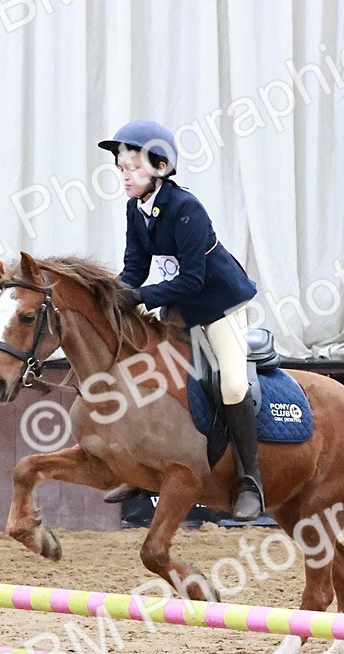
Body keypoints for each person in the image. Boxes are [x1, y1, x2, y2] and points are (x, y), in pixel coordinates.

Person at [96, 120, 265, 521]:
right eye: (120, 168)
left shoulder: (186, 208)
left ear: (159, 167)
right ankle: (145, 469)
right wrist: (112, 294)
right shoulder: (135, 210)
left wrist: (141, 297)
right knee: (149, 372)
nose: (124, 176)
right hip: (182, 306)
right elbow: (134, 269)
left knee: (232, 382)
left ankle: (250, 480)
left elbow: (193, 278)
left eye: (132, 167)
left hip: (219, 304)